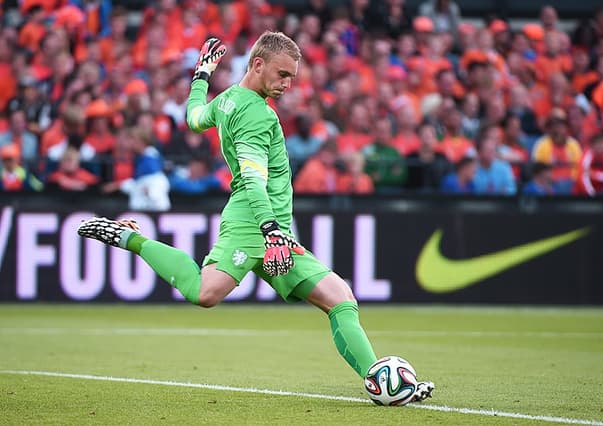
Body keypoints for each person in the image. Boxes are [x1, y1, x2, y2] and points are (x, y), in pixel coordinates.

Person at [77, 32, 434, 401]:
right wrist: (270, 229)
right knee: (205, 292)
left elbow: (195, 117)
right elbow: (251, 177)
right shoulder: (256, 115)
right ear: (258, 64)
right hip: (254, 222)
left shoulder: (227, 100)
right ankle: (131, 238)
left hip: (269, 226)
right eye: (282, 75)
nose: (287, 84)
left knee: (340, 297)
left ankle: (379, 379)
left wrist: (201, 77)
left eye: (292, 77)